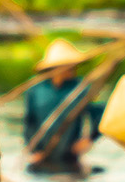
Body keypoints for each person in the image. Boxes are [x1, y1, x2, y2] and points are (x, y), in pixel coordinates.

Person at [23, 39, 103, 173]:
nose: (73, 70)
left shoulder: (80, 88)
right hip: (43, 156)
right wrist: (34, 151)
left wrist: (89, 139)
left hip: (69, 156)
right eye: (69, 67)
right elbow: (29, 123)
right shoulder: (36, 90)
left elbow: (100, 115)